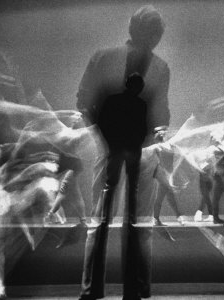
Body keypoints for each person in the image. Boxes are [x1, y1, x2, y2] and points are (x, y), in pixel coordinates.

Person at [76, 5, 170, 220]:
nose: (155, 38)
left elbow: (83, 101)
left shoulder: (104, 57)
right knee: (136, 219)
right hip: (135, 147)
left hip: (123, 147)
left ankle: (102, 249)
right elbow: (161, 111)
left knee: (104, 216)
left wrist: (102, 135)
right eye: (154, 32)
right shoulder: (159, 67)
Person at [79, 73, 149, 300]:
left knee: (104, 219)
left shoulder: (115, 101)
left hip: (117, 154)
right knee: (128, 220)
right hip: (126, 155)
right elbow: (141, 130)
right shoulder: (138, 104)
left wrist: (112, 145)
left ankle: (92, 290)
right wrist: (127, 147)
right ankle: (132, 291)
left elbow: (101, 123)